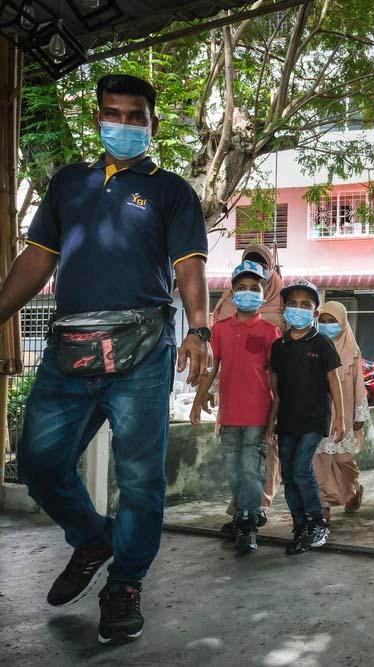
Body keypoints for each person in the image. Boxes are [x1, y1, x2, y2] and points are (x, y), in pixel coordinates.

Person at [0, 74, 210, 645]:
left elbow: (189, 266)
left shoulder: (172, 192)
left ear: (152, 124)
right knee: (40, 462)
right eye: (111, 113)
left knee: (140, 479)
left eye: (133, 116)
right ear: (97, 118)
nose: (121, 124)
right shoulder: (69, 183)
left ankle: (125, 585)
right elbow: (37, 260)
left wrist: (200, 329)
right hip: (70, 350)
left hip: (143, 350)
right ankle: (92, 539)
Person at [190, 260, 281, 554]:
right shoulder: (220, 330)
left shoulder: (270, 331)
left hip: (258, 414)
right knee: (232, 470)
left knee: (251, 470)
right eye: (241, 288)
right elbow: (211, 369)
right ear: (231, 292)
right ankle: (245, 513)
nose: (247, 292)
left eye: (254, 288)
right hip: (228, 415)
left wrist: (275, 417)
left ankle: (247, 523)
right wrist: (197, 401)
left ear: (263, 292)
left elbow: (275, 379)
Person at [267, 279, 346, 555]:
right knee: (288, 474)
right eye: (292, 304)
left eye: (305, 305)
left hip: (314, 419)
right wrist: (270, 424)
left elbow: (334, 381)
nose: (297, 309)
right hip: (287, 420)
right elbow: (276, 391)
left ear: (314, 313)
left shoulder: (322, 343)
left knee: (301, 468)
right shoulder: (279, 347)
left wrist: (341, 418)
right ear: (284, 308)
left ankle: (317, 522)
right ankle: (299, 525)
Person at [314, 301, 367, 520]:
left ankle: (354, 488)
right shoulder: (313, 346)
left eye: (332, 322)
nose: (327, 326)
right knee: (320, 462)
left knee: (345, 460)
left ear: (343, 323)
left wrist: (359, 415)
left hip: (344, 414)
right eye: (322, 321)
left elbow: (358, 385)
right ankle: (323, 505)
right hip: (320, 414)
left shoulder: (352, 350)